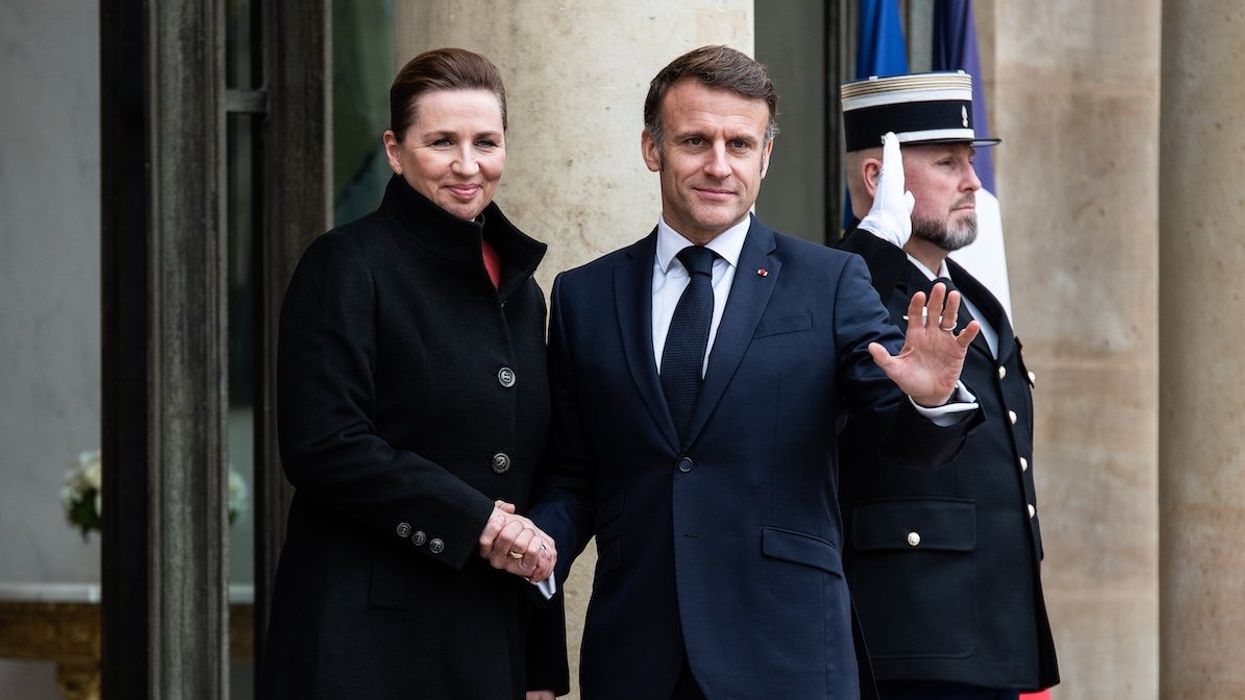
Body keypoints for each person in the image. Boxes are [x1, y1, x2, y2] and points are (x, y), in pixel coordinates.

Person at [512, 45, 981, 699]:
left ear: (765, 156)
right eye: (694, 141)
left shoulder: (829, 281)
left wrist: (929, 402)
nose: (718, 165)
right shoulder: (583, 295)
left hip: (786, 653)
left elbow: (901, 438)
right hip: (637, 654)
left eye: (739, 144)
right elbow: (574, 472)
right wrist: (536, 548)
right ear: (651, 149)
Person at [261, 48, 567, 700]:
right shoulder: (346, 264)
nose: (468, 165)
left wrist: (539, 663)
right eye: (441, 142)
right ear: (395, 151)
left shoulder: (521, 291)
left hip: (486, 639)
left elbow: (525, 472)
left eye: (486, 142)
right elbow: (324, 445)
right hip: (364, 642)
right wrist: (477, 521)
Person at [836, 71, 1059, 700]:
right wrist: (871, 244)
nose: (973, 182)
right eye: (947, 163)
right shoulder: (848, 285)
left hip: (991, 631)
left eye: (970, 160)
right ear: (879, 178)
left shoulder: (972, 293)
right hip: (909, 636)